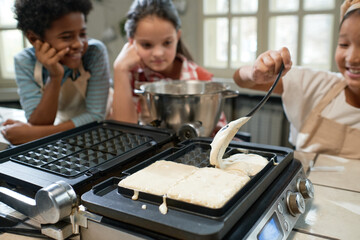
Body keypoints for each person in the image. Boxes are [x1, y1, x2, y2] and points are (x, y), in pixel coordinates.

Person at [232, 0, 360, 159]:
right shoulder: (318, 84)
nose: (352, 58)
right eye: (344, 44)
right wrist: (254, 72)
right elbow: (240, 79)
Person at [1, 0, 111, 145]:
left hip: (102, 128)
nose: (79, 43)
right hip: (64, 130)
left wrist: (34, 135)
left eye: (82, 33)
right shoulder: (24, 61)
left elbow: (96, 116)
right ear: (34, 38)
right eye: (66, 37)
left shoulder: (94, 52)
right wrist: (55, 76)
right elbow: (39, 124)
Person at [110, 0, 226, 130]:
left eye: (167, 43)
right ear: (131, 43)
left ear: (177, 37)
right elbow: (124, 129)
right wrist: (119, 69)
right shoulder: (131, 76)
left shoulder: (201, 78)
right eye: (147, 45)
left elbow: (219, 133)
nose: (158, 53)